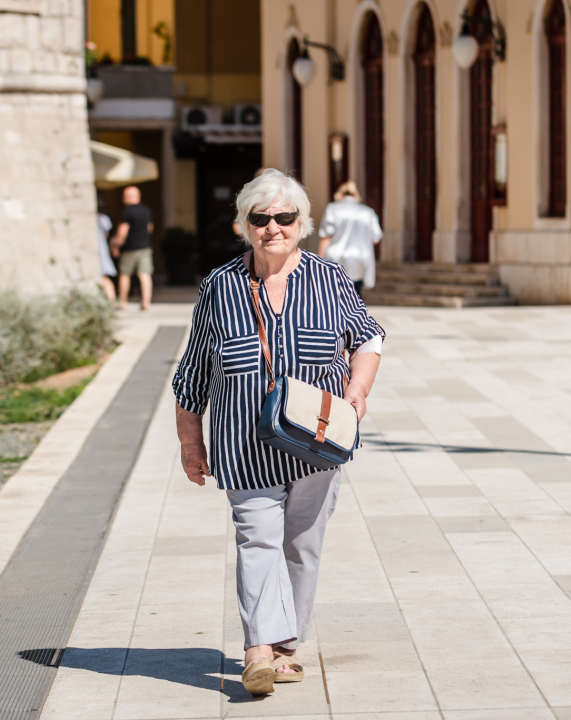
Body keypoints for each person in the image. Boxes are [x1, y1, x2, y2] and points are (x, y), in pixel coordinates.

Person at [172, 169, 384, 696]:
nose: (273, 228)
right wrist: (190, 441)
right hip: (244, 443)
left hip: (317, 443)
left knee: (302, 545)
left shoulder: (329, 279)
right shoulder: (220, 286)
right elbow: (195, 369)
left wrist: (357, 391)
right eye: (260, 218)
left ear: (302, 224)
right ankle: (258, 653)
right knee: (258, 539)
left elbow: (368, 337)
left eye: (284, 218)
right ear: (244, 225)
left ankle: (285, 648)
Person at [316, 181, 383, 297]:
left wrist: (319, 261)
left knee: (336, 297)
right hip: (361, 259)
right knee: (356, 296)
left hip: (337, 259)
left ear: (340, 194)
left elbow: (326, 236)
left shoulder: (333, 209)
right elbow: (375, 238)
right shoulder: (368, 212)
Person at [109, 185, 153, 310]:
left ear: (128, 197)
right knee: (145, 274)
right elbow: (150, 228)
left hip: (130, 248)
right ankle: (146, 302)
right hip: (145, 247)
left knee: (124, 274)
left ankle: (123, 302)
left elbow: (122, 232)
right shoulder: (147, 211)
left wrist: (115, 245)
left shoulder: (127, 212)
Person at [95, 203, 117, 303]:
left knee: (103, 277)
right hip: (102, 248)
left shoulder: (99, 219)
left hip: (98, 250)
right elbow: (106, 235)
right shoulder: (104, 219)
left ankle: (111, 301)